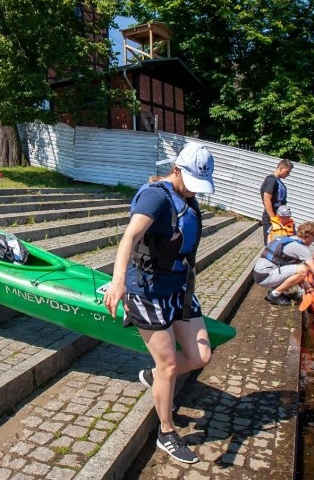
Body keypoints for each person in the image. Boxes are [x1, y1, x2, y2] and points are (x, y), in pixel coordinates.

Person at [103, 142, 215, 465]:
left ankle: (155, 377)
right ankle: (166, 433)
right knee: (168, 364)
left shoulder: (187, 199)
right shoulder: (157, 197)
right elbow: (129, 237)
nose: (195, 193)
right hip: (147, 289)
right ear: (177, 169)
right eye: (191, 183)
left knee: (201, 355)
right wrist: (119, 280)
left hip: (178, 287)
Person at [253, 221, 314, 306]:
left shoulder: (286, 239)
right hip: (265, 276)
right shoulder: (301, 249)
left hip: (258, 274)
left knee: (302, 268)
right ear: (309, 235)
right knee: (303, 270)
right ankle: (274, 294)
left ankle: (275, 289)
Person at [260, 159, 293, 244]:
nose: (288, 174)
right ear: (281, 168)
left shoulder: (278, 181)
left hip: (279, 218)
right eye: (287, 171)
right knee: (271, 245)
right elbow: (267, 199)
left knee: (280, 244)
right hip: (271, 218)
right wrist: (273, 218)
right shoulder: (271, 180)